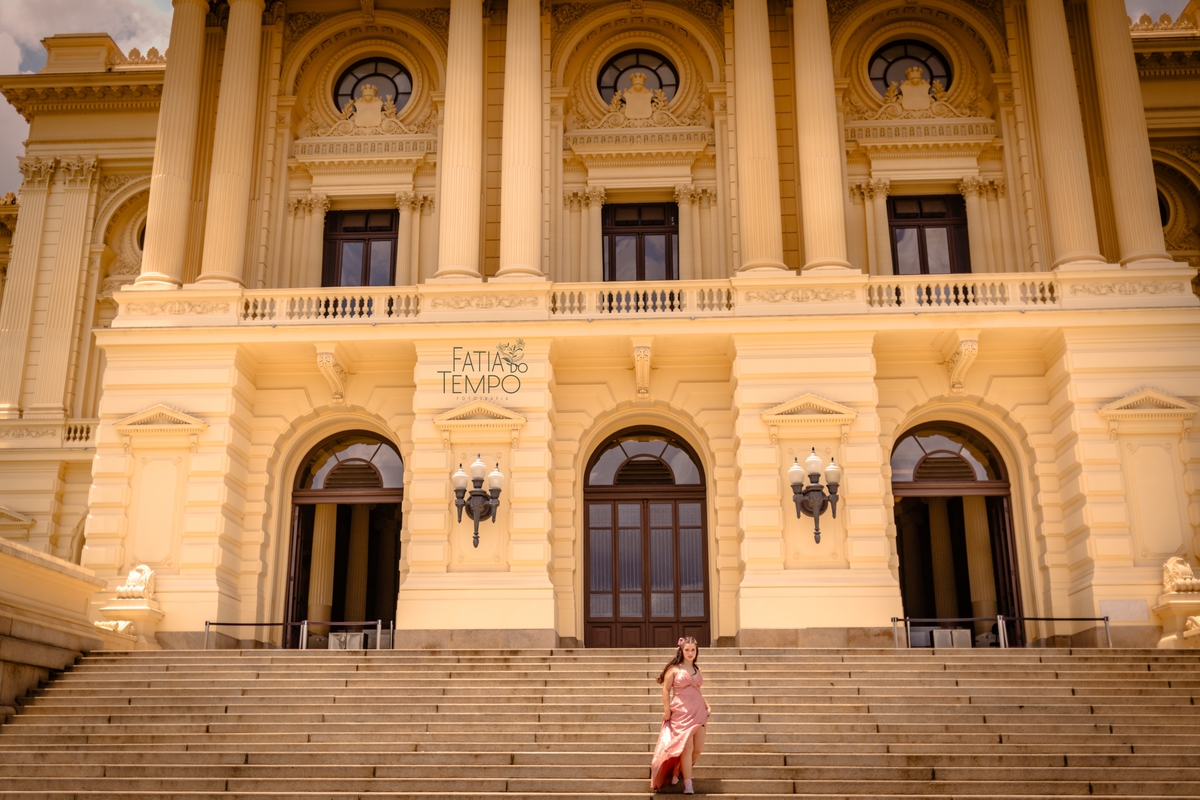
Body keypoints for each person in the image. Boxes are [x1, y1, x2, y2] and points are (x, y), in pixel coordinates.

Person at [649, 637, 711, 794]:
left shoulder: (698, 669)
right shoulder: (674, 669)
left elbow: (697, 690)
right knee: (687, 747)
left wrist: (707, 705)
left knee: (698, 749)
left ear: (696, 651)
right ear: (681, 651)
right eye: (687, 649)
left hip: (698, 711)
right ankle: (688, 785)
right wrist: (666, 709)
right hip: (681, 713)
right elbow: (666, 689)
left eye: (693, 650)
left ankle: (678, 770)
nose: (690, 653)